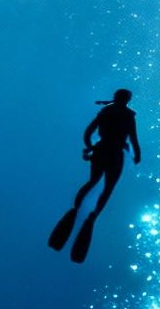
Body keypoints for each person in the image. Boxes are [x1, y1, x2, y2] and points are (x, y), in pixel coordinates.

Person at [48, 89, 142, 263]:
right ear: (128, 100)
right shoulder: (127, 115)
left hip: (101, 150)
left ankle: (77, 209)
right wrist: (137, 154)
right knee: (107, 188)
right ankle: (92, 216)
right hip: (114, 154)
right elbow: (134, 138)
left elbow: (88, 131)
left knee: (94, 182)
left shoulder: (107, 111)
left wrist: (90, 146)